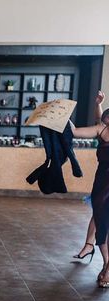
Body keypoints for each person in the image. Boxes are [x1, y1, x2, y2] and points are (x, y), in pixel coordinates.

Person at [70, 91, 109, 286]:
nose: (103, 120)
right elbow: (76, 131)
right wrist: (62, 118)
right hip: (102, 183)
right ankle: (105, 262)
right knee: (101, 219)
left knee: (103, 221)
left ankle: (106, 267)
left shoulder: (102, 128)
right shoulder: (101, 130)